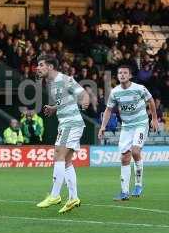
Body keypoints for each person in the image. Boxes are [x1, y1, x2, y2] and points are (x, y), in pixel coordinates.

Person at [35, 55, 89, 214]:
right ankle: (73, 198)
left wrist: (85, 100)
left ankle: (55, 195)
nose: (38, 68)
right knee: (66, 161)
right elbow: (64, 101)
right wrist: (54, 108)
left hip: (71, 123)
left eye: (41, 65)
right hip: (67, 123)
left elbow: (82, 92)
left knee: (58, 154)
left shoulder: (64, 79)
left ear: (50, 67)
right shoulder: (51, 83)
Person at [98, 65, 158, 200]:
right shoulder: (115, 92)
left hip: (141, 124)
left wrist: (153, 118)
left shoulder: (139, 88)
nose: (122, 75)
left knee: (135, 152)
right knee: (125, 157)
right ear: (117, 76)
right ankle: (124, 192)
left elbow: (151, 100)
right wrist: (103, 126)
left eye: (125, 73)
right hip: (126, 127)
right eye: (120, 73)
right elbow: (108, 110)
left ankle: (138, 184)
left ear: (130, 75)